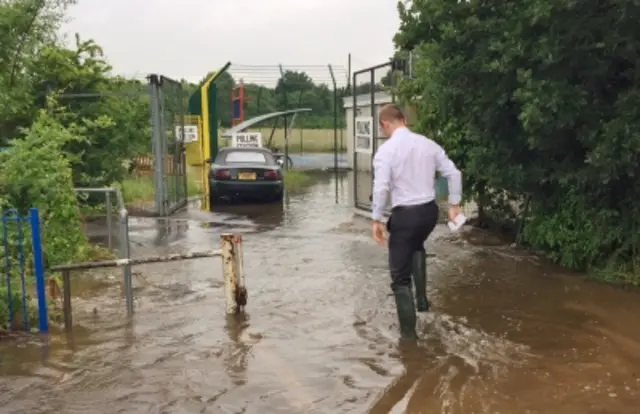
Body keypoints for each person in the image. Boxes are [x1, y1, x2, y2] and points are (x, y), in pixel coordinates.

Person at [371, 104, 462, 340]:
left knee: (399, 278)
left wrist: (377, 220)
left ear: (385, 124)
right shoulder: (427, 144)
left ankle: (409, 341)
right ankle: (422, 303)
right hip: (429, 213)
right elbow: (454, 173)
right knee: (416, 244)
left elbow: (381, 187)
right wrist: (454, 205)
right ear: (404, 120)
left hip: (406, 215)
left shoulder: (386, 151)